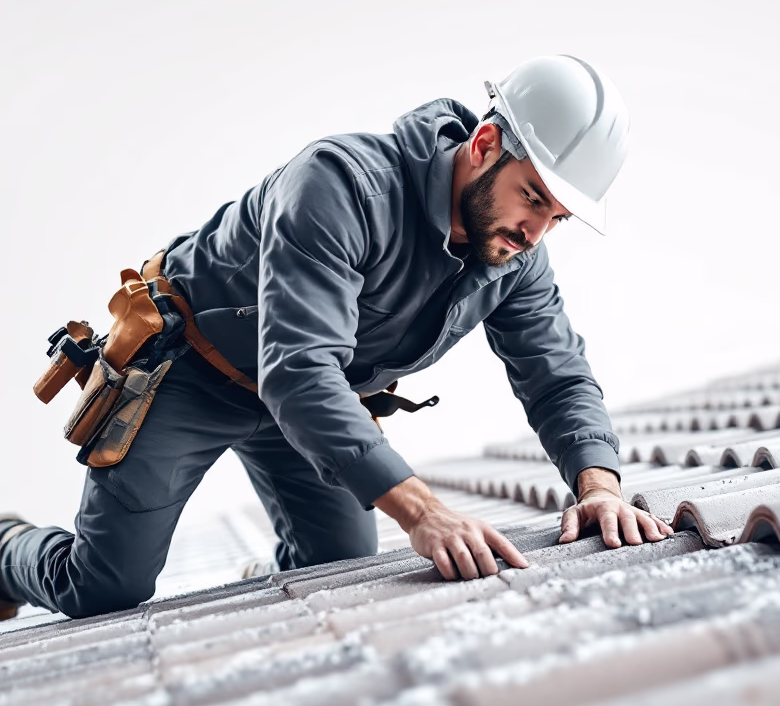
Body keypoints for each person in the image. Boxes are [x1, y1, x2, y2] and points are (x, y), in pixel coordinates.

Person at [0, 54, 671, 621]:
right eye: (533, 197)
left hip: (306, 403)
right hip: (192, 373)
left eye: (558, 218)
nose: (536, 232)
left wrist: (598, 486)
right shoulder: (340, 184)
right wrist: (422, 512)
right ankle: (6, 546)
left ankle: (263, 582)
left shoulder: (514, 255)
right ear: (486, 145)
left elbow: (556, 374)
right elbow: (298, 369)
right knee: (104, 587)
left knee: (337, 563)